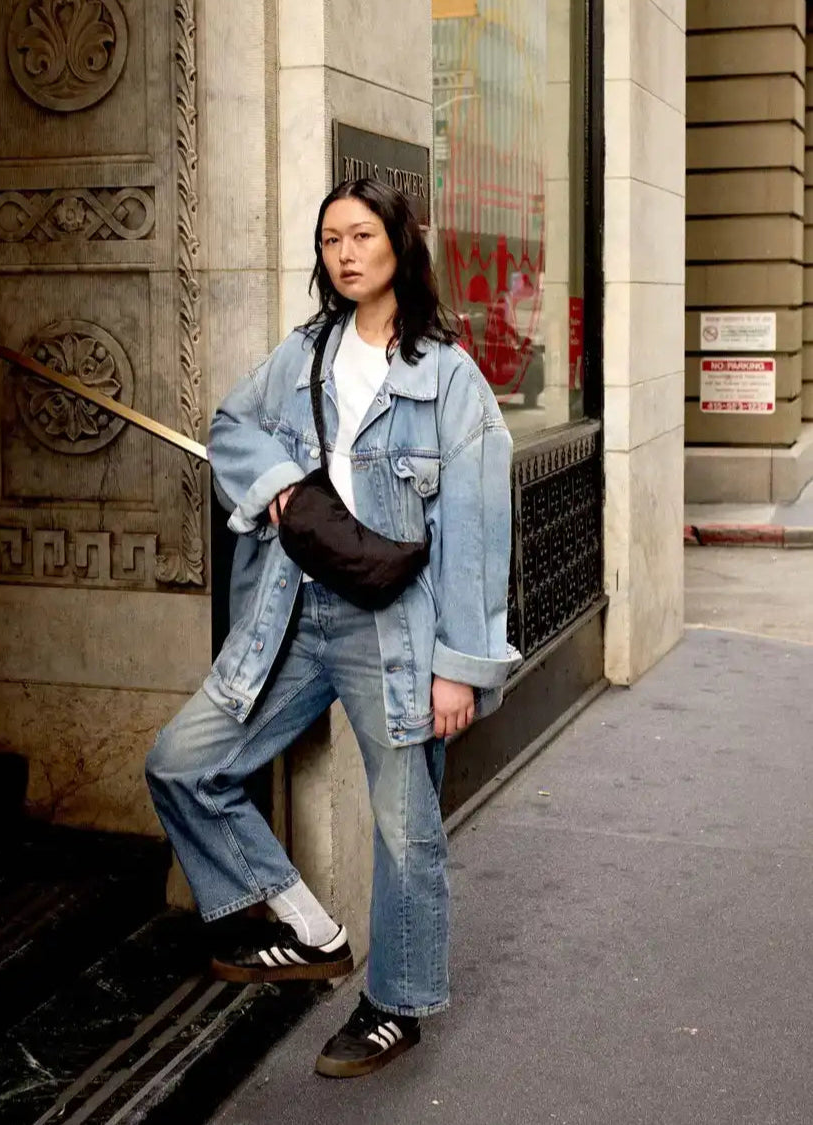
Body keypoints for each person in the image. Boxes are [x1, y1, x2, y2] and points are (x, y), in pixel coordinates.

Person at [145, 179, 519, 1079]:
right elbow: (229, 424)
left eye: (361, 235)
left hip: (394, 630)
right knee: (184, 761)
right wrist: (276, 480)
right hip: (291, 611)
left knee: (405, 828)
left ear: (399, 244)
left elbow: (473, 533)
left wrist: (459, 668)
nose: (344, 254)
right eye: (328, 240)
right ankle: (308, 929)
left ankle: (395, 1003)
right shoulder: (305, 353)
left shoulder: (448, 378)